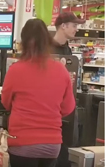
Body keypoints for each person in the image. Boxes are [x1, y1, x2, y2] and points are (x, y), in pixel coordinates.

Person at [1, 18, 76, 167]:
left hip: (22, 142)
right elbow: (68, 108)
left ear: (23, 41)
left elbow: (6, 102)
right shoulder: (61, 70)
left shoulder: (16, 70)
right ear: (47, 41)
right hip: (52, 144)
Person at [52, 12, 85, 167]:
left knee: (66, 148)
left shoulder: (67, 50)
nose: (76, 29)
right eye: (74, 25)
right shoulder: (46, 48)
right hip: (51, 108)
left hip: (65, 105)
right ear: (63, 26)